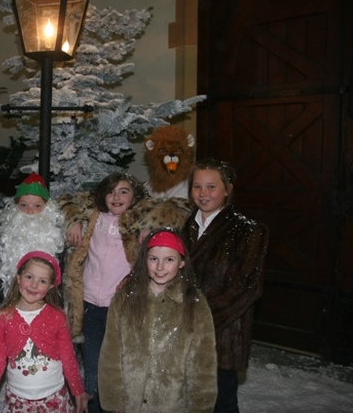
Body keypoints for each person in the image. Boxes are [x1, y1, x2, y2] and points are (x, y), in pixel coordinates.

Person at [182, 158, 269, 413]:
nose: (203, 193)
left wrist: (200, 322)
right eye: (197, 187)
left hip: (222, 335)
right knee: (188, 400)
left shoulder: (248, 231)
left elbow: (246, 288)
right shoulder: (185, 226)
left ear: (228, 189)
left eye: (211, 187)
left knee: (221, 401)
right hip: (182, 330)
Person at [98, 228, 218, 412]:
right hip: (130, 404)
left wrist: (200, 406)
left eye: (169, 259)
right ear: (145, 260)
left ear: (181, 262)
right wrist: (113, 401)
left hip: (171, 406)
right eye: (153, 259)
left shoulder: (194, 304)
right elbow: (111, 354)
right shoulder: (125, 298)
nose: (160, 267)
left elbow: (203, 366)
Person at [62, 171, 149, 413]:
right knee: (92, 367)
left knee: (117, 366)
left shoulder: (138, 222)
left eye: (124, 191)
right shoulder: (94, 217)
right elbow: (65, 204)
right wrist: (74, 222)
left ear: (134, 196)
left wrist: (148, 231)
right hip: (89, 305)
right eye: (111, 191)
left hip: (120, 308)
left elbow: (165, 219)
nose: (117, 197)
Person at [0, 251, 89, 413]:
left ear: (51, 286)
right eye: (29, 277)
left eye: (42, 281)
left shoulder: (57, 316)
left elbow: (68, 358)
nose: (34, 285)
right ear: (19, 278)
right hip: (18, 401)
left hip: (54, 399)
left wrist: (78, 391)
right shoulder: (4, 317)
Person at [0, 172, 65, 298]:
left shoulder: (57, 238)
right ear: (15, 206)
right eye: (24, 205)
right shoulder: (2, 236)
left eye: (37, 206)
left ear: (47, 208)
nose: (30, 211)